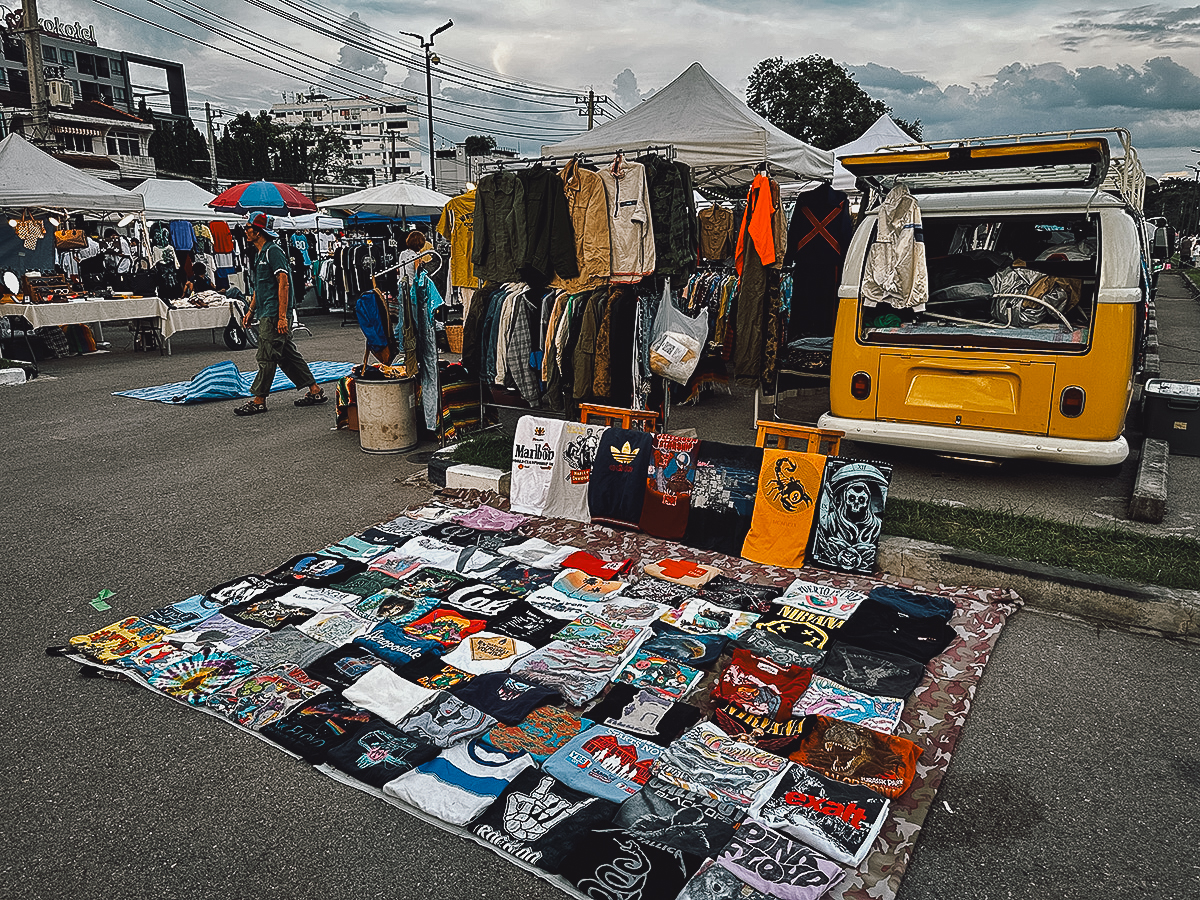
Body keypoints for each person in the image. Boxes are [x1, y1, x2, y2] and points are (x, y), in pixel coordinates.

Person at [233, 211, 326, 416]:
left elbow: (283, 283)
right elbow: (260, 286)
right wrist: (250, 310)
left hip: (275, 314)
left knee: (267, 355)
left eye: (248, 228)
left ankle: (259, 400)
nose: (245, 231)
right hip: (267, 311)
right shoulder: (260, 253)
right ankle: (315, 390)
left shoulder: (273, 251)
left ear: (258, 232)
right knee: (286, 355)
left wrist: (282, 316)